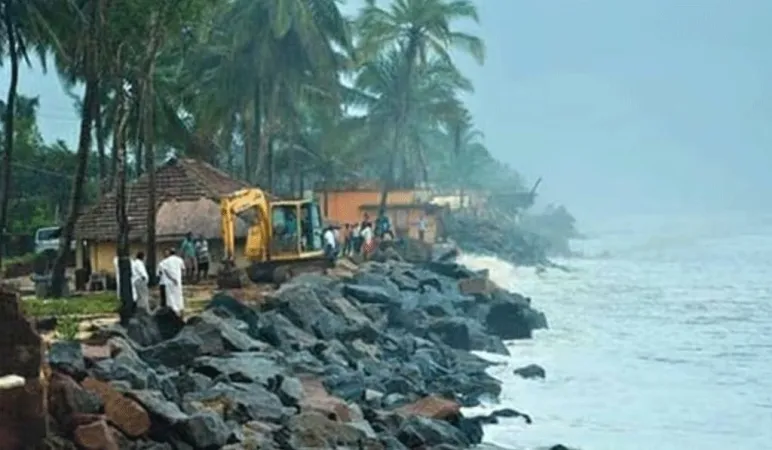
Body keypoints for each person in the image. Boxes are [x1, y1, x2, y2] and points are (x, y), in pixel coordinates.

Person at [158, 248, 186, 319]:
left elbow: (166, 272)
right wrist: (180, 278)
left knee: (170, 297)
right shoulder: (180, 260)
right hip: (178, 282)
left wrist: (172, 279)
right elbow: (183, 269)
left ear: (170, 253)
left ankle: (174, 312)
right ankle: (180, 312)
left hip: (169, 282)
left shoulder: (165, 261)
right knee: (179, 296)